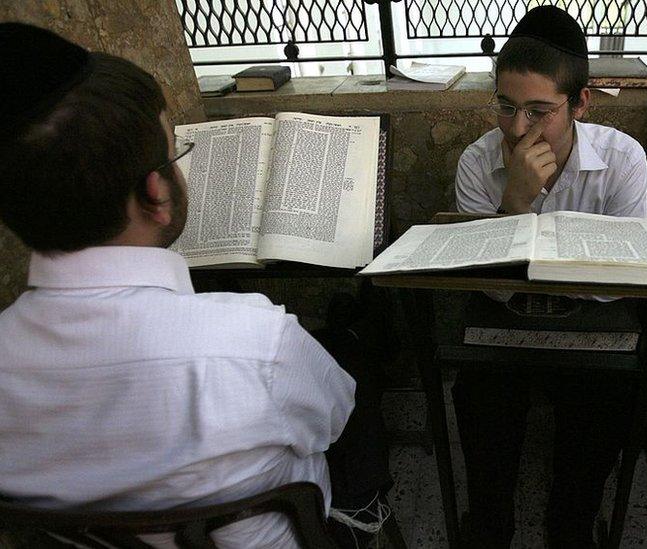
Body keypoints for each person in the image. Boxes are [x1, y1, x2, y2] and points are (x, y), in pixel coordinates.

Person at [0, 23, 390, 547]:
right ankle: (367, 516)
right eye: (173, 153)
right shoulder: (255, 343)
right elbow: (335, 419)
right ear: (156, 193)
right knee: (349, 371)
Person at [452, 6, 647, 547]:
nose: (518, 128)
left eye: (539, 111)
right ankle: (492, 525)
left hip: (593, 323)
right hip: (506, 319)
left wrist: (525, 265)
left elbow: (621, 281)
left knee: (605, 401)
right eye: (507, 107)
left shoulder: (623, 159)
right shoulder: (478, 162)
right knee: (480, 400)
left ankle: (571, 524)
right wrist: (516, 201)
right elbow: (488, 286)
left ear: (580, 103)